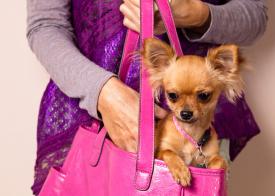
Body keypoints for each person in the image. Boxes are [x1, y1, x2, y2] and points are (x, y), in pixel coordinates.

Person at [27, 0, 267, 195]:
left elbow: (256, 15)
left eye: (202, 96)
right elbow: (44, 24)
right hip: (85, 112)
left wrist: (195, 14)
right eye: (173, 96)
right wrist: (101, 92)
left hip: (203, 132)